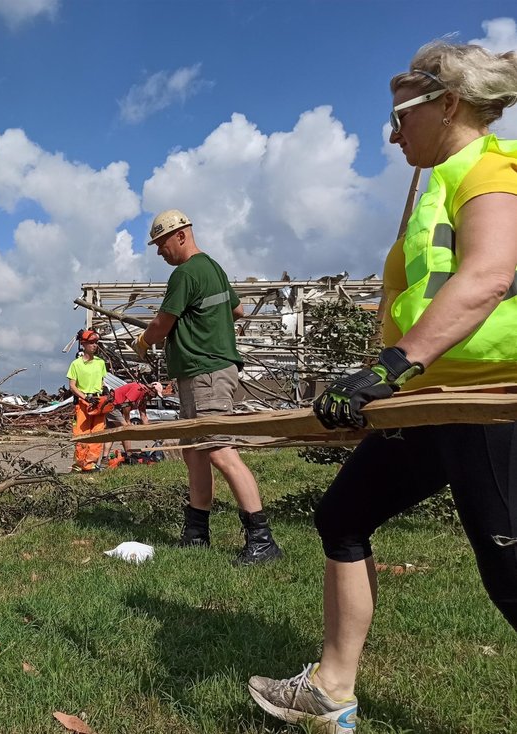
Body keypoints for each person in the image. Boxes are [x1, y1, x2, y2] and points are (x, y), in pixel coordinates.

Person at [248, 42, 517, 732]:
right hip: (431, 401)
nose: (393, 134)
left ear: (448, 104)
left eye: (401, 117)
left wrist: (390, 368)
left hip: (488, 404)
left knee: (512, 578)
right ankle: (332, 691)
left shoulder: (490, 171)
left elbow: (486, 277)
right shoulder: (439, 183)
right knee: (343, 516)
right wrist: (386, 390)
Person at [137, 209, 282, 566]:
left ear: (181, 235)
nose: (159, 252)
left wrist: (144, 341)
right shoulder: (213, 268)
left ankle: (262, 539)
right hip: (199, 372)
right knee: (195, 452)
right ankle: (196, 533)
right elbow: (237, 310)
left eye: (161, 244)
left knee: (218, 449)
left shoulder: (185, 273)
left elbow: (162, 323)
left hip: (207, 372)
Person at [66, 329, 109, 472]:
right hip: (83, 402)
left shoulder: (100, 363)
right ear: (83, 344)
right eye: (91, 343)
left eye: (96, 343)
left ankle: (90, 464)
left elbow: (102, 382)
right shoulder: (76, 364)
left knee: (97, 434)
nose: (94, 345)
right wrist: (85, 397)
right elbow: (72, 386)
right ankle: (79, 465)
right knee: (81, 435)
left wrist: (106, 392)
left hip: (98, 402)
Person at [110, 381, 164, 457]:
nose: (154, 397)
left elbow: (143, 415)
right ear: (152, 389)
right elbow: (126, 405)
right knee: (126, 430)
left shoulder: (143, 398)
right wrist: (127, 420)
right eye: (155, 394)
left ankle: (105, 457)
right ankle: (129, 455)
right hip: (113, 405)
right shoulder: (138, 388)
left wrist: (152, 433)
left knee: (111, 433)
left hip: (118, 408)